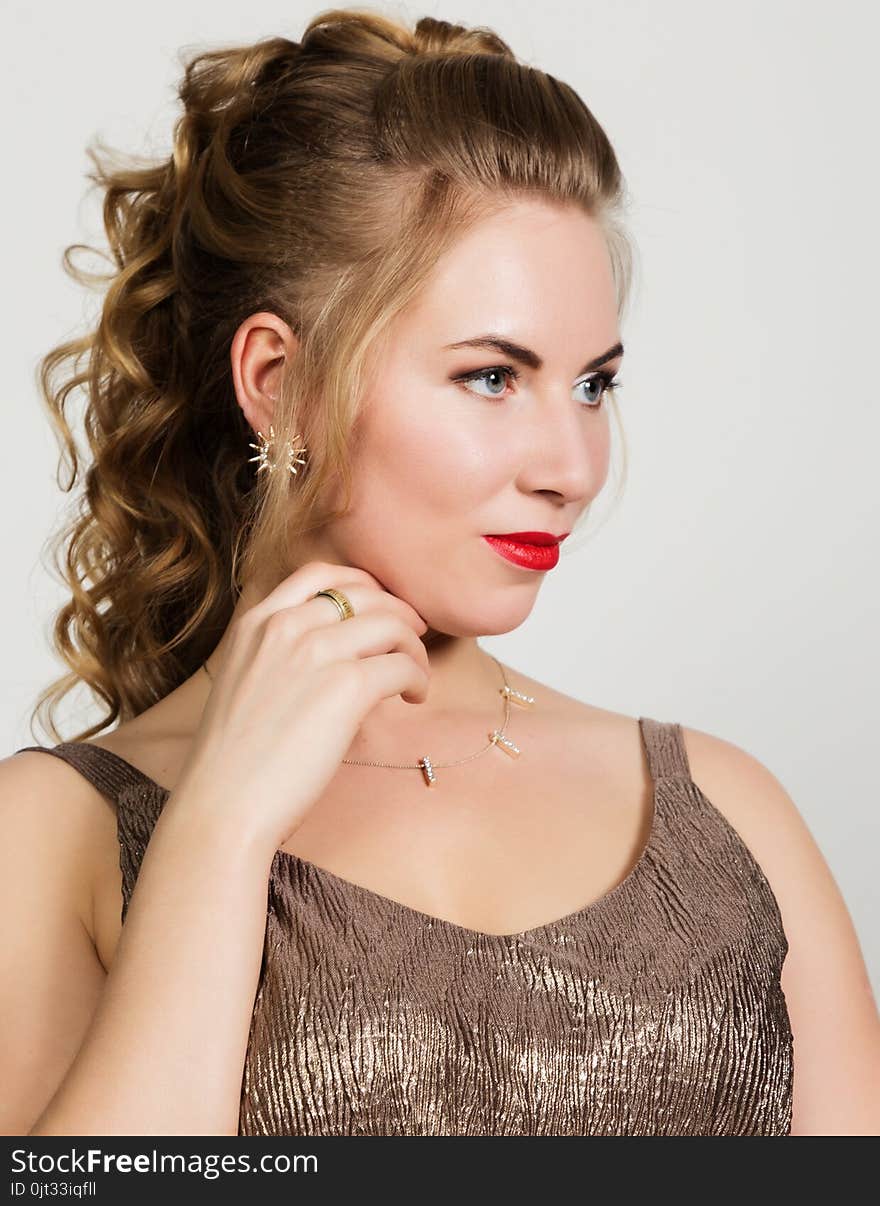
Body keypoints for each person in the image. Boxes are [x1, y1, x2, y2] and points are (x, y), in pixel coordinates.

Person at [1, 7, 877, 1139]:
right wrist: (219, 829)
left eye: (593, 386)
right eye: (491, 378)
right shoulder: (53, 831)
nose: (571, 468)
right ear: (279, 379)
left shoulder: (721, 811)